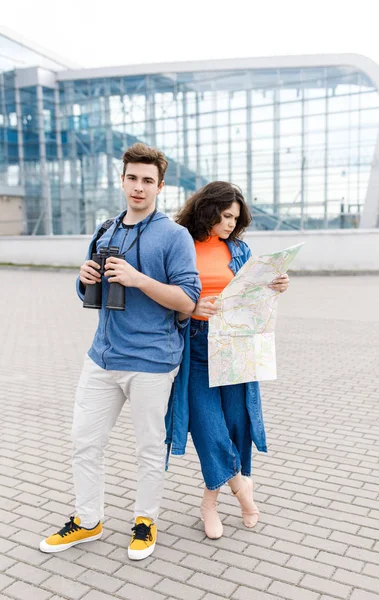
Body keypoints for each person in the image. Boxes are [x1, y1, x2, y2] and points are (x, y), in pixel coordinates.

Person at [39, 143, 201, 560]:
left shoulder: (174, 236)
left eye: (148, 181)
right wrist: (84, 276)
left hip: (151, 360)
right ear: (122, 179)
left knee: (149, 447)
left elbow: (188, 300)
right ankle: (88, 520)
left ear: (160, 185)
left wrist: (138, 278)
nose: (139, 187)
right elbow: (90, 293)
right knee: (84, 442)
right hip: (102, 358)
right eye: (132, 178)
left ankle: (145, 521)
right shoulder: (106, 229)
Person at [175, 182, 289, 539]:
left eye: (235, 218)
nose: (230, 224)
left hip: (233, 343)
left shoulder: (238, 248)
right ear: (207, 210)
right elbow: (168, 295)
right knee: (208, 426)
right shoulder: (181, 244)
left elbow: (249, 296)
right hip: (194, 346)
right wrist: (192, 308)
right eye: (225, 216)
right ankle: (242, 488)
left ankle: (209, 503)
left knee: (236, 424)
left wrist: (275, 286)